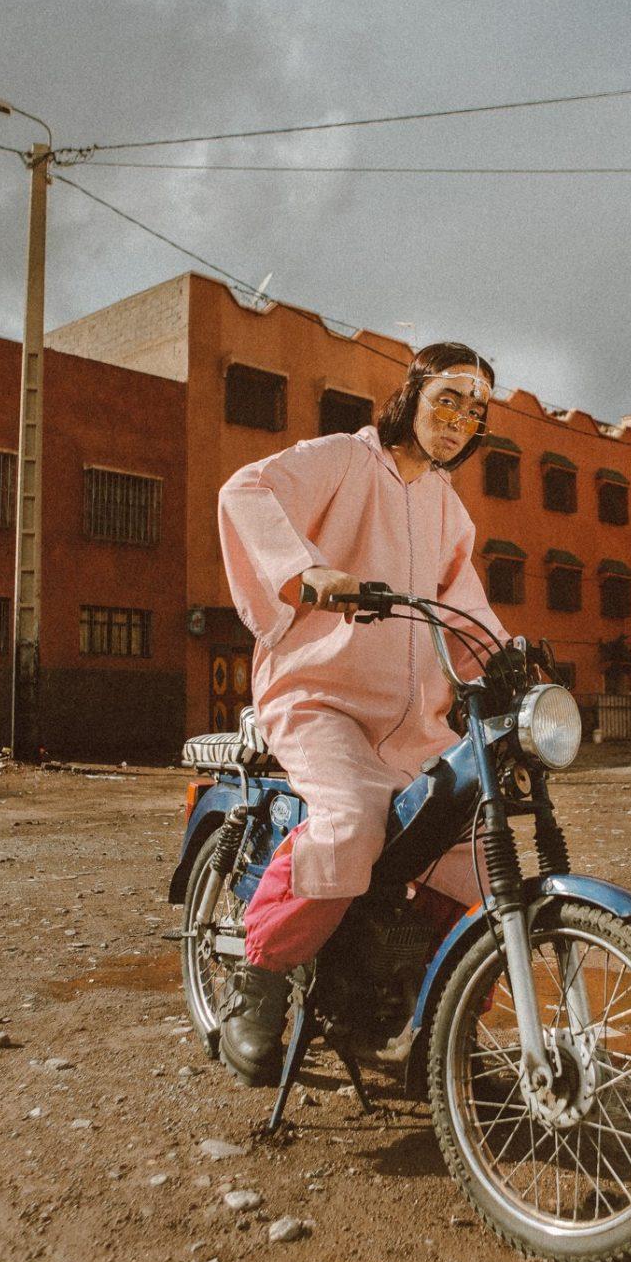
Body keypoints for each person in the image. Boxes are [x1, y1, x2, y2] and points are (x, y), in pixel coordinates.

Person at [215, 342, 508, 1085]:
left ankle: (438, 1026)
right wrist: (304, 571)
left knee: (473, 854)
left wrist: (505, 657)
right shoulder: (346, 459)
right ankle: (262, 986)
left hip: (414, 723)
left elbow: (465, 609)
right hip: (321, 701)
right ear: (410, 394)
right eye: (448, 398)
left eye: (475, 411)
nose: (459, 420)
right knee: (349, 823)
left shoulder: (446, 505)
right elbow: (245, 490)